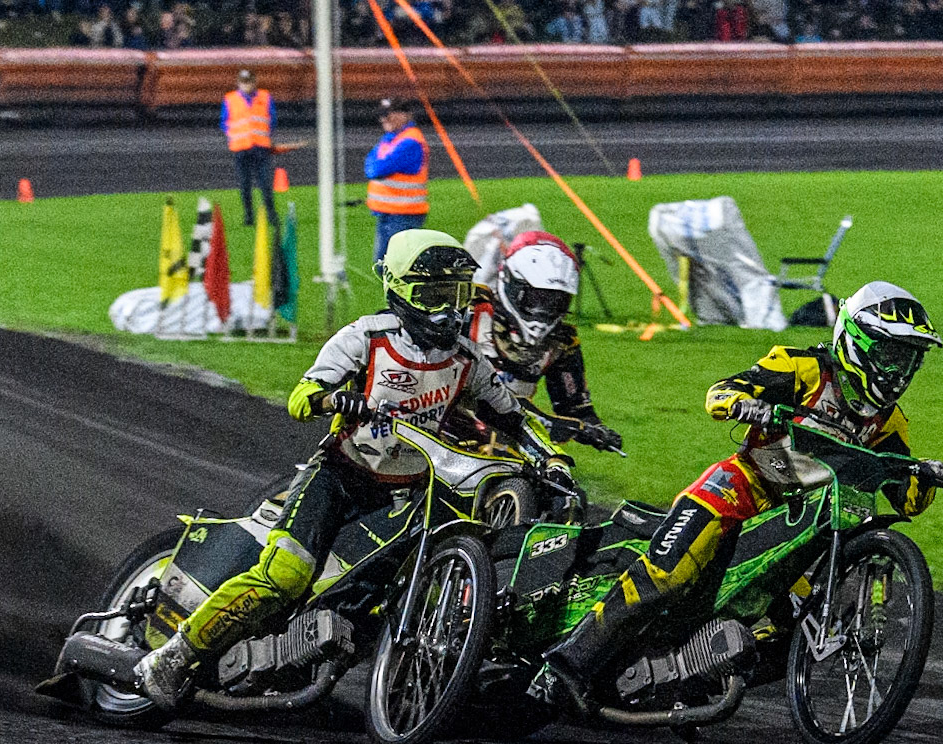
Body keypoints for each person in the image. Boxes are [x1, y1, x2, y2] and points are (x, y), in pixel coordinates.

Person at [135, 230, 575, 711]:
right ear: (402, 292)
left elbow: (513, 417)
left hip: (407, 494)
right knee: (285, 575)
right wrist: (337, 400)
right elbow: (301, 399)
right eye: (434, 296)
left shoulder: (467, 361)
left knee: (391, 590)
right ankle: (172, 658)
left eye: (458, 296)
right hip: (339, 478)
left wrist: (550, 458)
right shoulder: (366, 338)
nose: (449, 311)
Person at [531, 281, 943, 706]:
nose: (899, 371)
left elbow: (908, 499)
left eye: (909, 360)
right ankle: (566, 664)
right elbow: (719, 393)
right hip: (740, 489)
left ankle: (692, 682)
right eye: (891, 355)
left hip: (798, 524)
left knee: (793, 630)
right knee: (667, 574)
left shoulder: (890, 422)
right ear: (858, 341)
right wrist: (743, 403)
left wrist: (927, 475)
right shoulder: (803, 367)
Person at [466, 231, 623, 452]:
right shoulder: (469, 312)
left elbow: (575, 408)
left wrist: (596, 431)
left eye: (556, 302)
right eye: (536, 299)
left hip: (504, 444)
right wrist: (570, 427)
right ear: (512, 285)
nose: (543, 310)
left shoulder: (561, 342)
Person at [366, 98, 430, 263]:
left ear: (404, 115)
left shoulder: (410, 141)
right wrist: (376, 166)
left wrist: (376, 166)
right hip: (389, 212)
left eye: (388, 114)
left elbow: (377, 168)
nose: (383, 119)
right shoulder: (391, 139)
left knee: (397, 263)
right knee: (384, 263)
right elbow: (370, 165)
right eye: (382, 115)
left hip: (404, 214)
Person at [221, 70, 276, 228]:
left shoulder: (265, 97)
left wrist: (265, 136)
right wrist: (233, 136)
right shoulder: (230, 99)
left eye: (249, 82)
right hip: (241, 147)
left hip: (260, 147)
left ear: (254, 82)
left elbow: (272, 119)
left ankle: (271, 215)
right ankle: (249, 216)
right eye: (244, 82)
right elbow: (225, 122)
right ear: (238, 83)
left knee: (265, 184)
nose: (247, 86)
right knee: (245, 185)